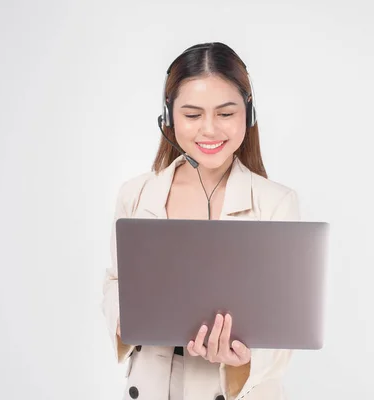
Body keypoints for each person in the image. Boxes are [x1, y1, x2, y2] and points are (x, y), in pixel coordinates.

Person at [101, 42, 301, 400]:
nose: (209, 130)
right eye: (192, 115)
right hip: (152, 384)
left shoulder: (276, 203)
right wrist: (123, 318)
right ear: (169, 117)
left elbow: (284, 325)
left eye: (225, 113)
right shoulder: (136, 194)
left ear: (248, 115)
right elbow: (116, 279)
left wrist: (242, 359)